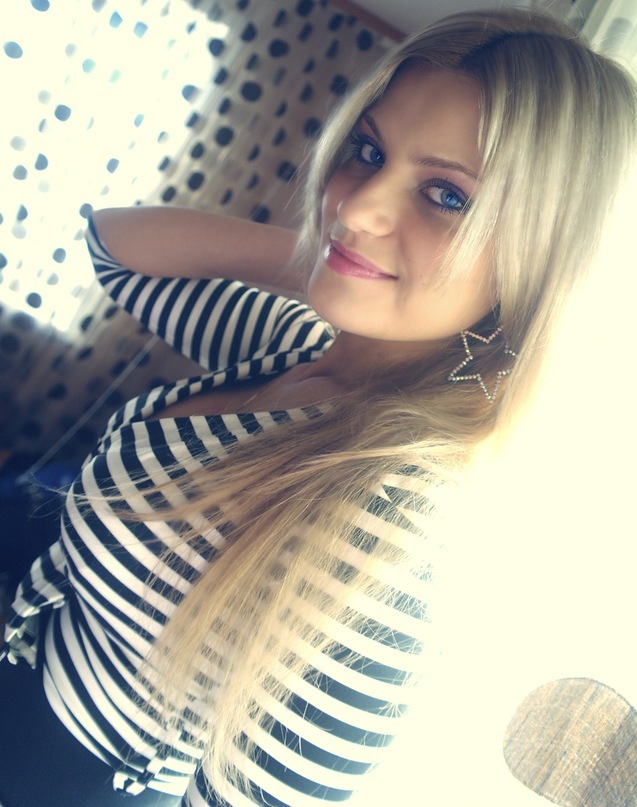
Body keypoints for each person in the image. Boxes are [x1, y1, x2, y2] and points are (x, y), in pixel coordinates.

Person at [1, 7, 636, 806]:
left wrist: (357, 256)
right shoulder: (300, 343)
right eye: (367, 152)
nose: (357, 204)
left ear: (541, 264)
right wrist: (332, 258)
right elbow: (116, 248)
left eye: (445, 194)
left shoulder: (394, 528)